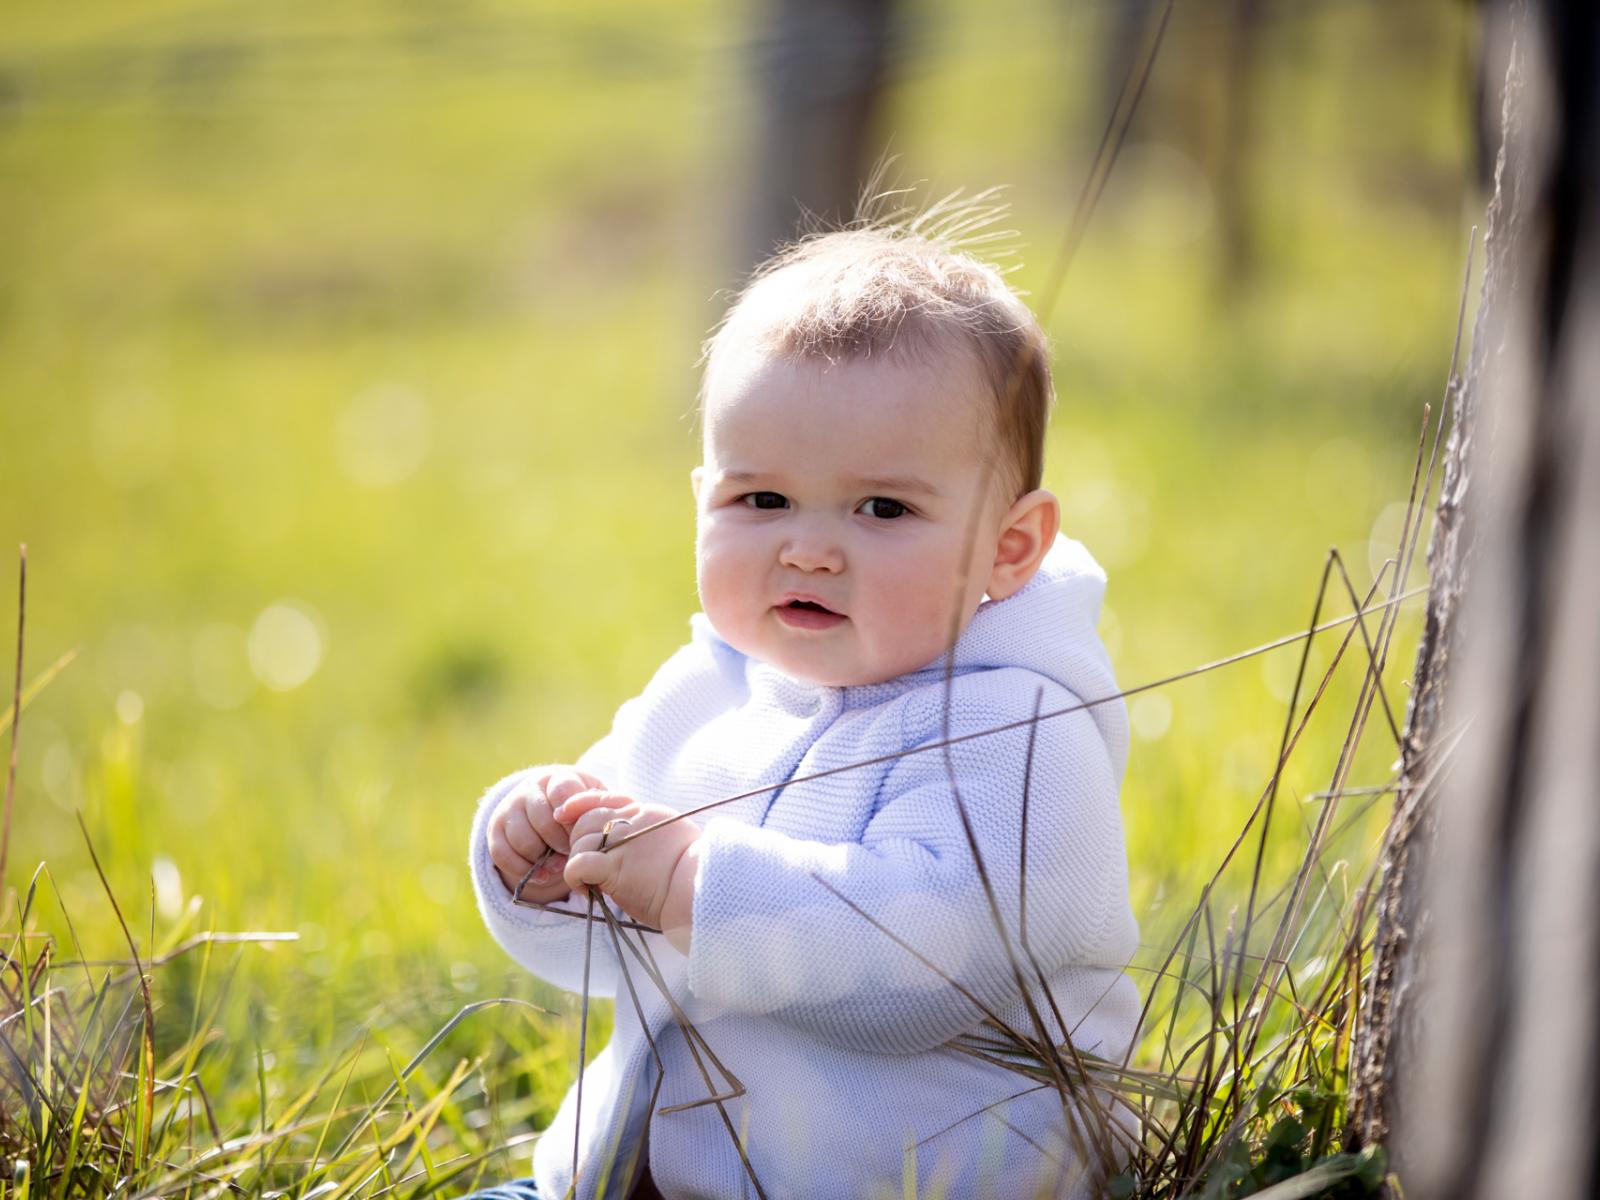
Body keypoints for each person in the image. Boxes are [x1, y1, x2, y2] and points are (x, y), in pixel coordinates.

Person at [467, 209, 1141, 1200]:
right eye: (762, 501)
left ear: (1009, 547)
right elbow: (613, 937)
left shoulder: (1021, 735)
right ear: (705, 499)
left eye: (882, 508)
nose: (809, 549)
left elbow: (928, 964)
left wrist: (694, 884)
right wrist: (535, 858)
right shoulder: (709, 687)